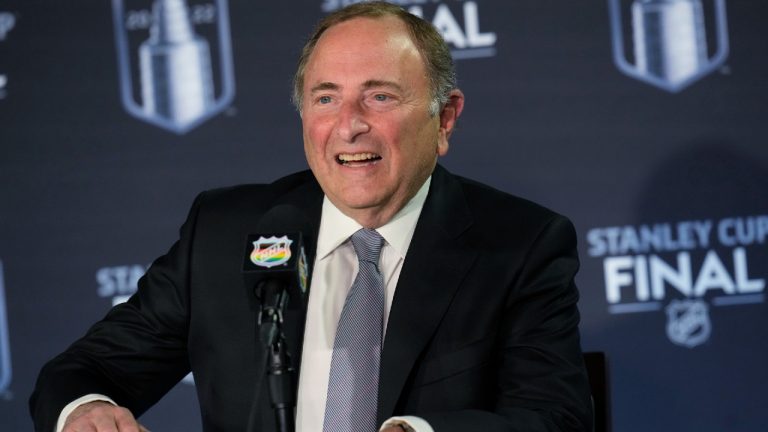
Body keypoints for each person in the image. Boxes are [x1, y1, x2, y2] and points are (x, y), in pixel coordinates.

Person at [30, 2, 592, 431]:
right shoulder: (224, 234)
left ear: (444, 119)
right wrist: (88, 410)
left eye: (380, 97)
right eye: (325, 98)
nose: (348, 126)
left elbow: (552, 416)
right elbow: (82, 372)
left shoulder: (519, 245)